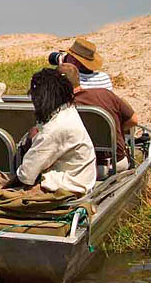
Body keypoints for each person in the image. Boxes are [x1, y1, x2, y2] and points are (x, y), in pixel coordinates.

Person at [7, 68, 96, 196]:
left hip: (67, 187)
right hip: (79, 178)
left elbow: (26, 175)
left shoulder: (53, 130)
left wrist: (30, 143)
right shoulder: (69, 111)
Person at [58, 63, 138, 173]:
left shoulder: (59, 106)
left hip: (78, 167)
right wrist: (117, 130)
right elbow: (133, 120)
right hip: (114, 163)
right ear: (78, 78)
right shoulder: (105, 94)